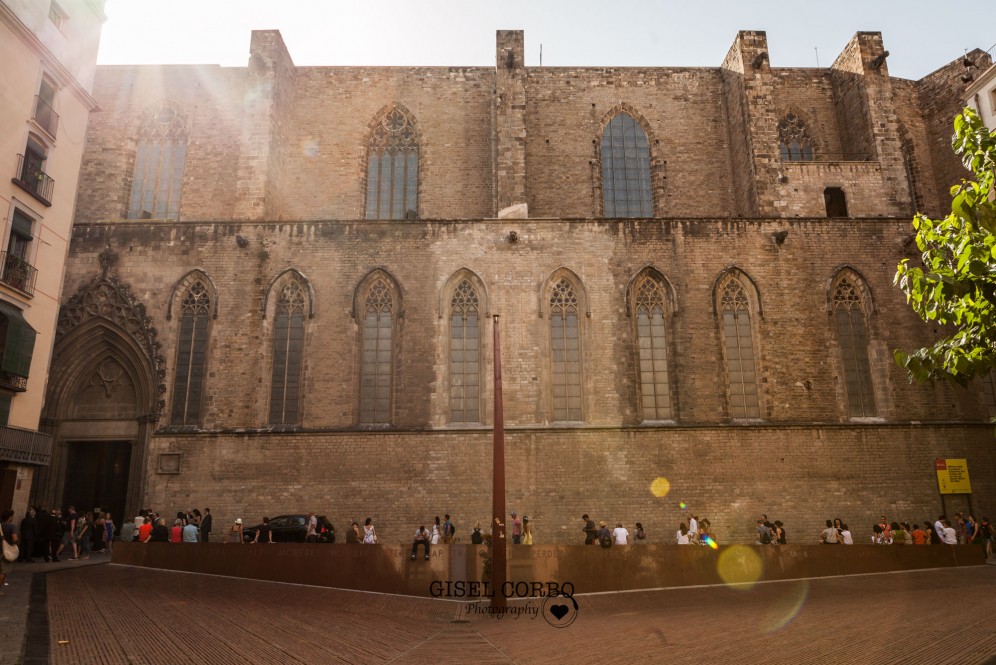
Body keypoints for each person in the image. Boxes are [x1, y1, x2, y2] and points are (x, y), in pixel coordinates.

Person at [1, 510, 19, 589]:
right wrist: (14, 543)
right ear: (10, 517)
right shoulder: (12, 526)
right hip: (6, 552)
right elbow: (15, 538)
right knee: (3, 572)